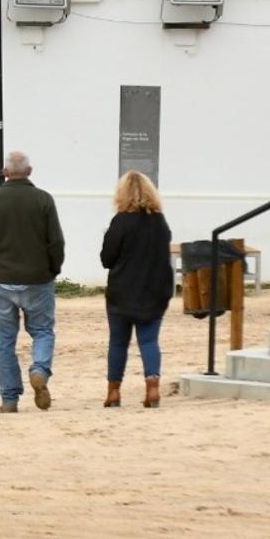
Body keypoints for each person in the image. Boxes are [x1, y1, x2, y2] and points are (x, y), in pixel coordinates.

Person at [0, 151, 65, 414]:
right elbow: (56, 241)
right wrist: (53, 269)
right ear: (30, 171)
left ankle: (9, 399)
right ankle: (39, 369)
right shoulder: (43, 200)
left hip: (1, 280)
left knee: (4, 342)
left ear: (5, 172)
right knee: (43, 331)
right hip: (38, 279)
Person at [100, 171, 172, 409]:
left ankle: (113, 392)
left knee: (118, 343)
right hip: (154, 290)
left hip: (122, 290)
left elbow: (107, 258)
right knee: (149, 341)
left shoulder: (120, 221)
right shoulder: (160, 222)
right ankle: (152, 387)